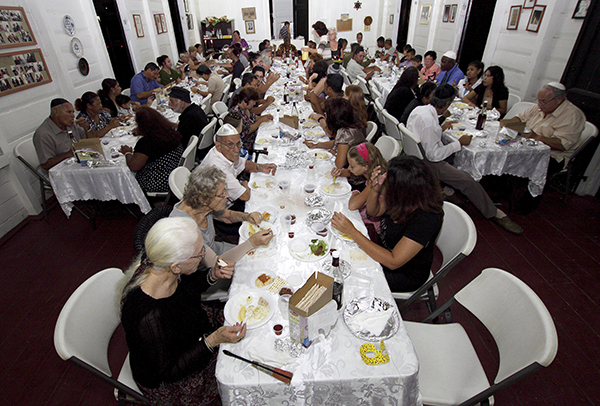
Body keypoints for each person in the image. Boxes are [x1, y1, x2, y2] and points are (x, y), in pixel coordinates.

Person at [120, 217, 246, 405]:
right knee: (239, 371)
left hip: (193, 328)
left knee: (247, 322)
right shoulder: (147, 316)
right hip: (172, 378)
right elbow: (170, 371)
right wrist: (213, 340)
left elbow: (186, 289)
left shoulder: (163, 265)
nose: (204, 254)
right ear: (176, 266)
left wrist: (213, 274)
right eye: (199, 254)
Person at [407, 85, 524, 235]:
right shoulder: (429, 119)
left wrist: (441, 129)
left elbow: (425, 135)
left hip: (415, 153)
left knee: (457, 155)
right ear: (448, 104)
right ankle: (494, 213)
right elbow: (433, 155)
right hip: (425, 161)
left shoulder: (420, 110)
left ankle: (448, 190)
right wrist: (459, 143)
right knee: (467, 180)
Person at [331, 155, 444, 292]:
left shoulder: (427, 218)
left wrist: (352, 231)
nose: (385, 180)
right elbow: (374, 212)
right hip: (382, 250)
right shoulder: (403, 198)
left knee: (342, 279)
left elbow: (393, 261)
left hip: (403, 273)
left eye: (388, 179)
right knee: (337, 257)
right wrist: (375, 189)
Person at [502, 82, 586, 215]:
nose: (539, 104)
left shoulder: (572, 116)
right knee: (501, 150)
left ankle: (528, 204)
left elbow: (562, 145)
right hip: (528, 147)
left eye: (543, 101)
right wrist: (513, 126)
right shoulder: (540, 107)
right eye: (538, 100)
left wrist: (537, 137)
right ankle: (501, 189)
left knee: (540, 168)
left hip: (553, 155)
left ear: (558, 100)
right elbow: (519, 118)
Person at [170, 165, 274, 263]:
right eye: (222, 194)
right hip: (206, 269)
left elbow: (227, 216)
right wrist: (252, 243)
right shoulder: (185, 230)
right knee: (257, 259)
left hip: (216, 248)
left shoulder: (200, 204)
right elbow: (214, 264)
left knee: (266, 252)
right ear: (204, 200)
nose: (227, 195)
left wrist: (246, 216)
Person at [199, 124, 277, 208]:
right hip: (219, 210)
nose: (236, 150)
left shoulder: (223, 152)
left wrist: (260, 167)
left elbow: (245, 164)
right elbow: (245, 196)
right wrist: (244, 184)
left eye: (238, 144)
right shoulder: (219, 169)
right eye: (230, 145)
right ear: (218, 146)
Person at [119, 107, 183, 193]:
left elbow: (134, 166)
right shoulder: (171, 133)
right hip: (175, 174)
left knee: (124, 179)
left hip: (156, 181)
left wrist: (127, 152)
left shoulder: (147, 143)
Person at [332, 142, 388, 239]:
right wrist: (340, 172)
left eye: (352, 166)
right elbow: (352, 173)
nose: (349, 168)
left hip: (371, 224)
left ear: (365, 167)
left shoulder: (375, 181)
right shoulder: (370, 170)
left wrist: (356, 193)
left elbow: (353, 205)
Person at [306, 98, 366, 170]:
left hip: (353, 171)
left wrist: (336, 153)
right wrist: (317, 145)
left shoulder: (344, 133)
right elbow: (336, 142)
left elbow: (339, 164)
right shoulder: (352, 124)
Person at [33, 98, 91, 170]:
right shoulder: (43, 134)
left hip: (81, 163)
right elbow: (45, 165)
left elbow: (91, 141)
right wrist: (68, 154)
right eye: (69, 112)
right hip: (62, 172)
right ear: (56, 112)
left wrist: (87, 128)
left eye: (73, 112)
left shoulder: (72, 124)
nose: (73, 115)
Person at [230, 87, 273, 151]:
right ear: (245, 101)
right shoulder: (236, 113)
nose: (254, 104)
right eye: (253, 102)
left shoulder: (246, 109)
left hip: (254, 136)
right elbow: (247, 130)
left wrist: (264, 117)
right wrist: (260, 121)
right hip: (246, 144)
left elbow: (254, 118)